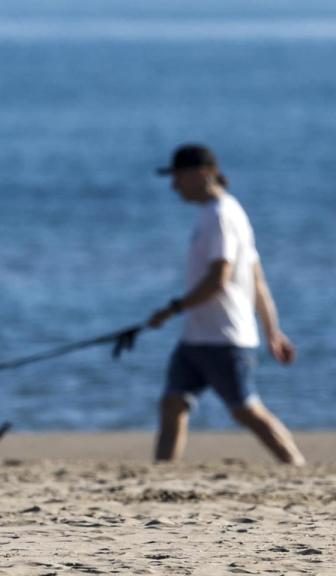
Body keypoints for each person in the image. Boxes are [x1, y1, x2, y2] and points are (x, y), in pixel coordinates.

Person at [147, 144, 304, 465]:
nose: (174, 185)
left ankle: (296, 467)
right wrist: (273, 331)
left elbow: (220, 278)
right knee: (172, 403)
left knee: (246, 410)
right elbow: (257, 278)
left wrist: (173, 309)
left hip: (224, 336)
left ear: (203, 174)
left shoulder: (220, 215)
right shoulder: (223, 212)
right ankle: (161, 475)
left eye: (178, 177)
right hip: (196, 337)